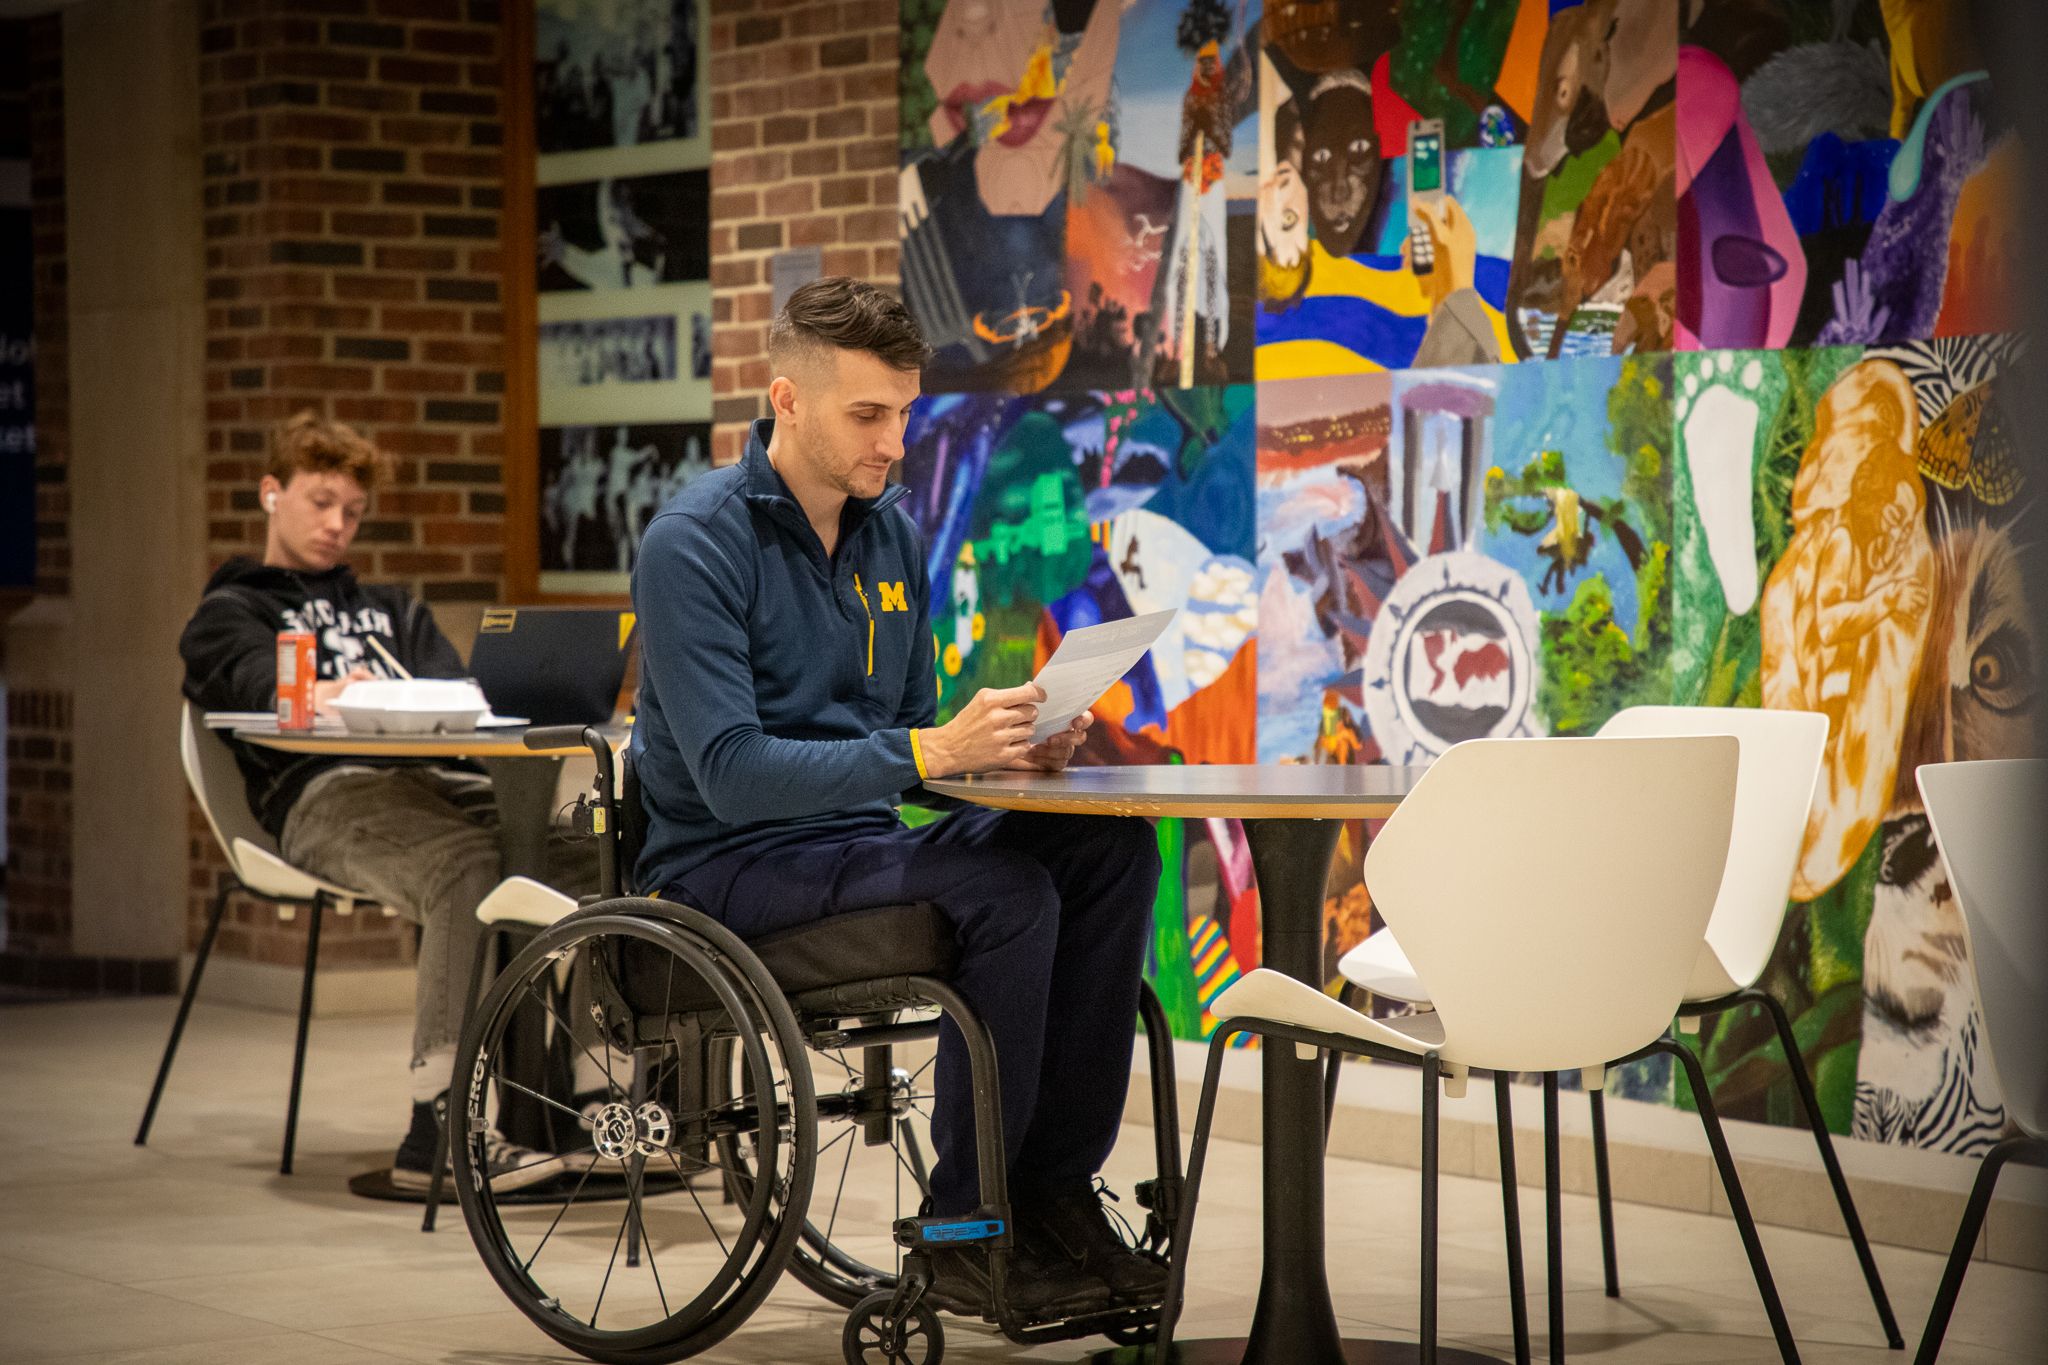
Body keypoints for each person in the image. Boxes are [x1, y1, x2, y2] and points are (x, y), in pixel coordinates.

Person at [630, 278, 1165, 1321]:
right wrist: (931, 745)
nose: (894, 441)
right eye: (866, 415)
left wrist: (1007, 756)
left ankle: (1053, 1196)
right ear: (785, 401)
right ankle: (967, 1226)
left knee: (1114, 852)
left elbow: (910, 752)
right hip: (722, 865)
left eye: (905, 413)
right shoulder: (691, 541)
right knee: (1002, 889)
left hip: (854, 843)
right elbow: (732, 773)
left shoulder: (891, 536)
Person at [178, 411, 593, 1192]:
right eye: (321, 502)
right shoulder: (232, 609)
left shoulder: (394, 608)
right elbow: (255, 689)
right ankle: (437, 1126)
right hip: (320, 797)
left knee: (599, 848)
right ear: (272, 493)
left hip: (432, 782)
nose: (338, 525)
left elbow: (455, 694)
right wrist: (347, 688)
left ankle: (589, 1098)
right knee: (467, 865)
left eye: (353, 512)